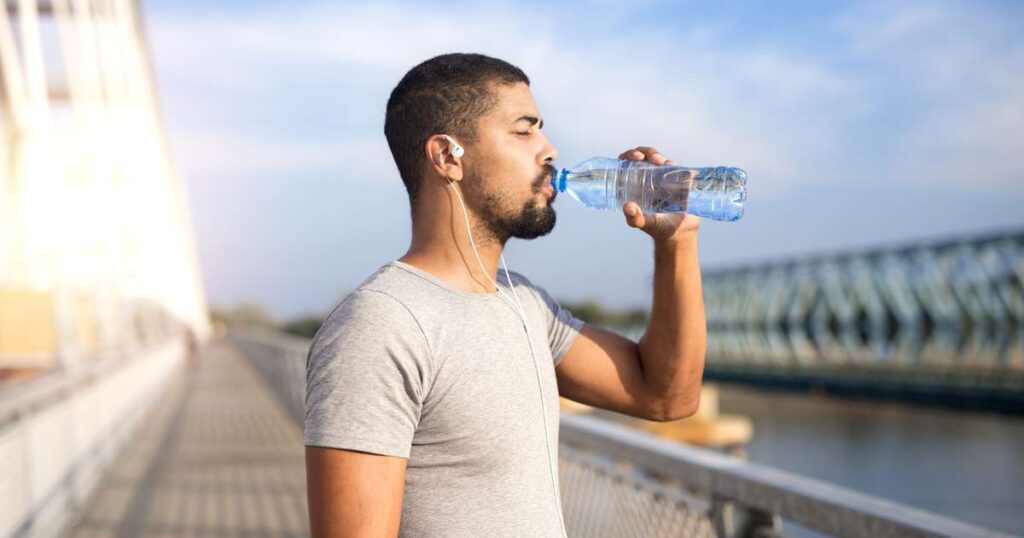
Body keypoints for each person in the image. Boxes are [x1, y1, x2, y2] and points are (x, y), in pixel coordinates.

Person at [304, 53, 706, 537]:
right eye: (524, 130)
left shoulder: (525, 304)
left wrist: (677, 241)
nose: (550, 150)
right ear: (447, 156)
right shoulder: (380, 326)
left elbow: (665, 396)